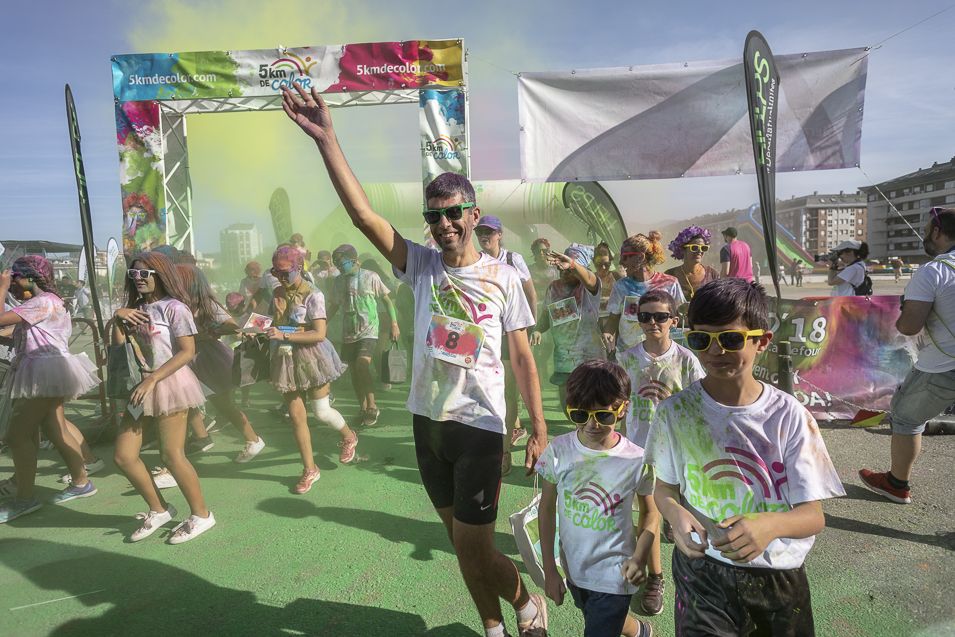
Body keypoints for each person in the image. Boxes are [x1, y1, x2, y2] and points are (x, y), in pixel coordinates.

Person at [280, 83, 549, 637]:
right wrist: (327, 140)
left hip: (479, 425)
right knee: (461, 546)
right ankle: (495, 626)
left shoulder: (504, 277)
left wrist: (537, 427)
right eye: (435, 216)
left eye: (454, 213)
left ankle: (527, 604)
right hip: (427, 422)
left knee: (474, 548)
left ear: (473, 214)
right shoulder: (421, 265)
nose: (444, 224)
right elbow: (363, 216)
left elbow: (522, 357)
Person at [647, 278, 845, 635]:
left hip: (777, 576)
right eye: (701, 339)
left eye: (731, 339)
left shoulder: (789, 416)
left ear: (762, 341)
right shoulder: (674, 414)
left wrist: (770, 526)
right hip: (701, 573)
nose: (715, 351)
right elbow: (665, 489)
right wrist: (675, 515)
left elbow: (813, 516)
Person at [536, 360, 656, 637]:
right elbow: (546, 508)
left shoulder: (637, 460)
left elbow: (651, 512)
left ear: (623, 408)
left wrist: (640, 557)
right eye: (580, 415)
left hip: (616, 574)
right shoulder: (558, 450)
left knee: (602, 622)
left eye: (603, 415)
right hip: (575, 568)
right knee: (596, 613)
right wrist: (550, 570)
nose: (591, 424)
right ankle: (639, 631)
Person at [111, 251, 216, 543]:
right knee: (123, 456)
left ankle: (202, 515)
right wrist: (117, 319)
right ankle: (159, 509)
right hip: (140, 386)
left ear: (160, 275)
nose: (138, 278)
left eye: (145, 273)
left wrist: (154, 378)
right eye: (133, 274)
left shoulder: (174, 308)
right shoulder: (133, 309)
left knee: (171, 455)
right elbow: (119, 350)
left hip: (170, 383)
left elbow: (188, 351)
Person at [616, 289, 705, 616]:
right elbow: (617, 404)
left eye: (660, 316)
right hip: (641, 453)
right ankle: (656, 577)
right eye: (645, 316)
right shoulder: (626, 359)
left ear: (674, 321)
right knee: (648, 514)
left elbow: (701, 403)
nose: (652, 322)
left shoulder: (686, 360)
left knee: (685, 516)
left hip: (679, 454)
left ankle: (696, 577)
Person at [860, 207, 955, 504]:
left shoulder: (934, 271)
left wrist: (905, 309)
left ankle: (896, 483)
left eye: (927, 230)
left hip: (943, 365)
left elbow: (909, 326)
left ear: (937, 232)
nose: (924, 236)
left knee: (905, 416)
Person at [0, 256, 101, 523]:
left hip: (41, 372)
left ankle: (25, 499)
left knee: (16, 436)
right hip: (50, 370)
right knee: (55, 429)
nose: (13, 283)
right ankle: (81, 482)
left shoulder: (41, 302)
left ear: (30, 277)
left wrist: (1, 288)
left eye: (16, 277)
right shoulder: (50, 301)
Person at [266, 245, 357, 492]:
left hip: (313, 356)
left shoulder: (313, 294)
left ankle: (349, 436)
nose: (280, 277)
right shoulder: (277, 292)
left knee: (321, 412)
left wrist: (283, 334)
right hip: (286, 359)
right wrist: (261, 328)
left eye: (285, 272)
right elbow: (274, 324)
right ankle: (310, 469)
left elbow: (319, 333)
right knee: (296, 417)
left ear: (299, 268)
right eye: (276, 272)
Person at [177, 264, 265, 463]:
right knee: (186, 400)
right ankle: (199, 437)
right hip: (188, 358)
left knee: (222, 403)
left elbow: (230, 325)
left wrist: (210, 331)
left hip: (206, 357)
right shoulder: (178, 303)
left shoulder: (206, 304)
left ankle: (252, 439)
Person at [475, 215, 538, 473]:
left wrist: (531, 328)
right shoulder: (476, 261)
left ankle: (504, 451)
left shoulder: (513, 259)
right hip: (485, 335)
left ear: (500, 234)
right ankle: (495, 438)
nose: (484, 236)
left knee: (508, 392)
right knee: (488, 390)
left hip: (510, 334)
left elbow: (531, 294)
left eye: (489, 231)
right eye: (480, 232)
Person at [328, 244, 399, 426]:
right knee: (353, 370)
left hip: (369, 330)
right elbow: (334, 306)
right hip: (348, 331)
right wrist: (321, 323)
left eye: (342, 262)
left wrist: (394, 324)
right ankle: (362, 407)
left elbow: (387, 300)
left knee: (362, 364)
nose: (339, 266)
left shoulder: (371, 276)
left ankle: (372, 406)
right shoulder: (338, 281)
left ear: (354, 260)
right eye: (336, 263)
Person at [531, 245, 604, 409]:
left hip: (589, 357)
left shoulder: (590, 286)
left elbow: (589, 278)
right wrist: (538, 330)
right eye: (560, 268)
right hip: (563, 357)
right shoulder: (554, 287)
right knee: (568, 404)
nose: (563, 271)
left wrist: (572, 264)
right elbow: (547, 314)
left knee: (591, 404)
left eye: (568, 269)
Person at [602, 232, 685, 357]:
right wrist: (607, 333)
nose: (621, 263)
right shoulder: (621, 286)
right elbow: (613, 318)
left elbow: (680, 317)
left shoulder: (670, 283)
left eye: (625, 257)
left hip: (661, 355)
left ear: (640, 257)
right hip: (629, 356)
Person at [663, 226, 719, 302]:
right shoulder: (669, 275)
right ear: (683, 249)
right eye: (694, 247)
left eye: (703, 248)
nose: (700, 251)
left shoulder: (712, 274)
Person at [593, 242, 623, 328]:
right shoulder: (591, 278)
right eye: (599, 264)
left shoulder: (616, 276)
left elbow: (626, 296)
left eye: (607, 264)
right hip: (596, 320)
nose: (603, 268)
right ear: (593, 263)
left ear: (610, 262)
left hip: (614, 319)